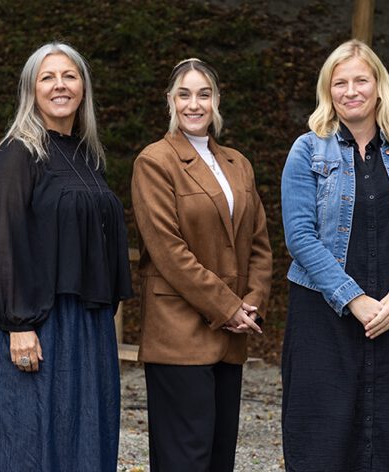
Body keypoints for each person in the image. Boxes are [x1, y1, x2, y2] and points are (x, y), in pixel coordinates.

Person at [0, 42, 133, 472]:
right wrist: (19, 325)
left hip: (84, 326)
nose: (60, 86)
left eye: (69, 76)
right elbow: (1, 242)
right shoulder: (18, 154)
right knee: (28, 441)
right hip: (36, 323)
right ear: (30, 91)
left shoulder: (86, 156)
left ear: (84, 88)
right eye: (48, 77)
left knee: (80, 437)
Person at [280, 39, 389, 471]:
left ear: (379, 87)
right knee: (320, 441)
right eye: (340, 82)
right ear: (328, 91)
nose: (351, 91)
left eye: (360, 80)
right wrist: (354, 298)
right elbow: (299, 235)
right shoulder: (307, 151)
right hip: (322, 318)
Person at [131, 57, 273, 472]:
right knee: (184, 459)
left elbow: (259, 244)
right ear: (171, 102)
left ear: (216, 101)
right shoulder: (154, 161)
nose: (195, 104)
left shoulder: (238, 163)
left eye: (204, 94)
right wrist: (226, 307)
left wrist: (251, 302)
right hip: (179, 335)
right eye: (185, 94)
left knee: (218, 458)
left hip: (231, 337)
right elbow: (169, 252)